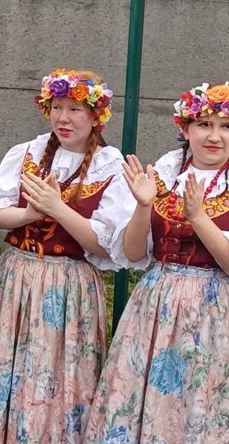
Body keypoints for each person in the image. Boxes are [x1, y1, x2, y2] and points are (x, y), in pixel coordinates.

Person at [0, 69, 134, 443]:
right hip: (15, 277)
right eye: (57, 107)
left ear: (96, 116)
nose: (64, 118)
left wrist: (59, 209)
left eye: (75, 109)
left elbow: (102, 244)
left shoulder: (110, 166)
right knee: (5, 368)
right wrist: (29, 214)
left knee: (58, 375)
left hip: (69, 287)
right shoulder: (27, 152)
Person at [86, 82, 229, 443]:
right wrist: (143, 206)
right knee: (139, 398)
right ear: (185, 128)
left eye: (226, 126)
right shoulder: (166, 172)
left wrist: (199, 219)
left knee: (198, 404)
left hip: (213, 311)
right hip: (155, 303)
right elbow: (134, 254)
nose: (215, 136)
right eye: (204, 125)